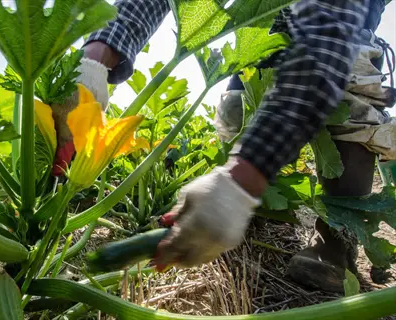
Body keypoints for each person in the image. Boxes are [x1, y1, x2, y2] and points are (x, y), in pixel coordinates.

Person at [59, 0, 396, 293]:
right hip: (268, 20)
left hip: (344, 17)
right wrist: (95, 62)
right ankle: (250, 211)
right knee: (237, 105)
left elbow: (325, 43)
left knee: (351, 93)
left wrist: (240, 181)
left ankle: (335, 239)